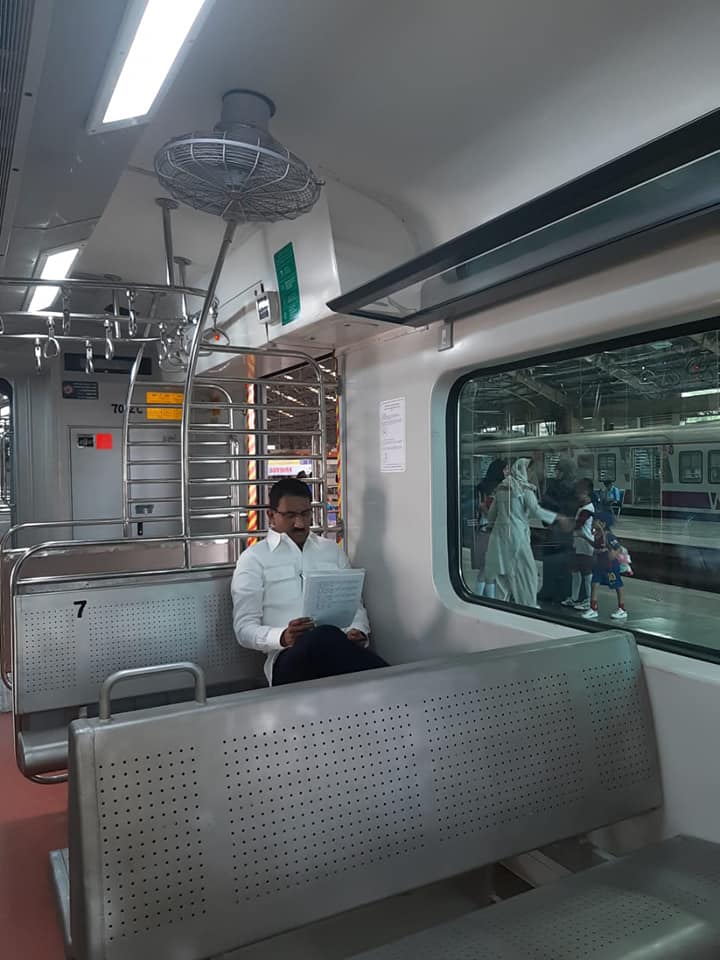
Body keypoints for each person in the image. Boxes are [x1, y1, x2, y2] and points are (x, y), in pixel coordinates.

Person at [231, 477, 387, 686]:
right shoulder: (253, 559)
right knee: (321, 636)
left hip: (337, 650)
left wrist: (358, 631)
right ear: (271, 515)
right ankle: (396, 682)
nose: (300, 523)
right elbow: (244, 629)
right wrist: (283, 637)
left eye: (305, 514)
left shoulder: (331, 551)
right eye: (290, 515)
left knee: (329, 637)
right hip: (287, 659)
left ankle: (395, 683)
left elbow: (355, 607)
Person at [484, 458, 570, 608]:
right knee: (528, 574)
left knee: (502, 577)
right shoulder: (523, 489)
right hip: (518, 538)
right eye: (530, 470)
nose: (532, 474)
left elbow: (492, 515)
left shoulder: (502, 488)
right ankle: (528, 605)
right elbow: (536, 510)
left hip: (499, 538)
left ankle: (500, 608)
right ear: (523, 470)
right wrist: (558, 518)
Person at [538, 457, 578, 603]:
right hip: (571, 536)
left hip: (554, 535)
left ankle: (549, 592)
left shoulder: (553, 488)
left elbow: (544, 514)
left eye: (556, 470)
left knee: (551, 566)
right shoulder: (576, 488)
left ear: (560, 472)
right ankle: (566, 594)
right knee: (567, 568)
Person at [581, 512, 628, 621]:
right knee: (594, 584)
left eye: (595, 521)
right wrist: (584, 537)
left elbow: (618, 548)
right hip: (599, 565)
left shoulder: (608, 536)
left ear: (602, 523)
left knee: (617, 585)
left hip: (610, 566)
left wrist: (614, 554)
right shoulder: (597, 535)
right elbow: (596, 546)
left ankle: (622, 609)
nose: (592, 522)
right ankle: (593, 608)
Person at [472, 458, 508, 598]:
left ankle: (488, 598)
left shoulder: (482, 487)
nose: (507, 472)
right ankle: (479, 597)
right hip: (491, 531)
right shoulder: (501, 489)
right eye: (505, 469)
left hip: (483, 529)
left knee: (489, 569)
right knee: (487, 568)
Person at [561, 478, 596, 610]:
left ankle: (589, 599)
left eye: (579, 492)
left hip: (586, 546)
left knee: (587, 574)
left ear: (586, 492)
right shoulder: (583, 508)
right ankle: (574, 598)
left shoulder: (587, 509)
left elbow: (577, 526)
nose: (577, 495)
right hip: (579, 545)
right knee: (576, 573)